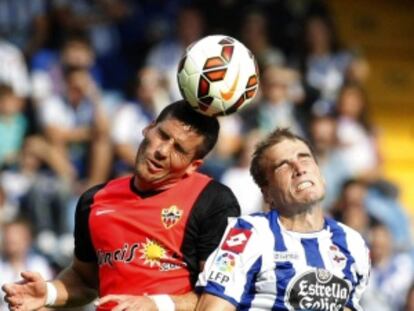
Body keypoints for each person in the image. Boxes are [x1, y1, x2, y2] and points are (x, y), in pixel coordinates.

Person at [2, 100, 241, 311]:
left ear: (193, 165)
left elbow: (218, 297)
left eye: (179, 149)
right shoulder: (94, 201)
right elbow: (85, 279)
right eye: (163, 135)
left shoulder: (213, 201)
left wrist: (157, 305)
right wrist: (49, 293)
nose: (162, 151)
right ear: (148, 128)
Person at [196, 128, 370, 310]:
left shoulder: (353, 243)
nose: (299, 168)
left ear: (321, 175)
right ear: (267, 194)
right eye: (283, 165)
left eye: (305, 158)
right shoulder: (249, 233)